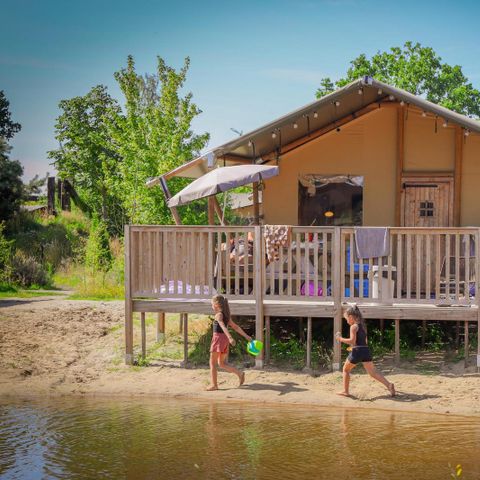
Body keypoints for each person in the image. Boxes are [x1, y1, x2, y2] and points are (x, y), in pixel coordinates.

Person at [335, 305, 395, 397]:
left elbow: (352, 341)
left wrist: (340, 339)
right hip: (365, 350)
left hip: (358, 351)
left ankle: (345, 391)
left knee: (345, 370)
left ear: (351, 317)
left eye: (346, 319)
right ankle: (389, 385)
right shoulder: (363, 326)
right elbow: (365, 341)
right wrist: (354, 347)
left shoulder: (353, 327)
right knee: (373, 373)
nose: (347, 321)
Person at [206, 294, 252, 391]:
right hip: (224, 340)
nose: (211, 306)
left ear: (216, 305)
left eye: (212, 304)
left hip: (218, 339)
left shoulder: (219, 315)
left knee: (212, 363)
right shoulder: (226, 315)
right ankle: (239, 373)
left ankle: (214, 385)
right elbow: (235, 327)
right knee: (221, 363)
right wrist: (247, 336)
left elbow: (222, 326)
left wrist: (230, 337)